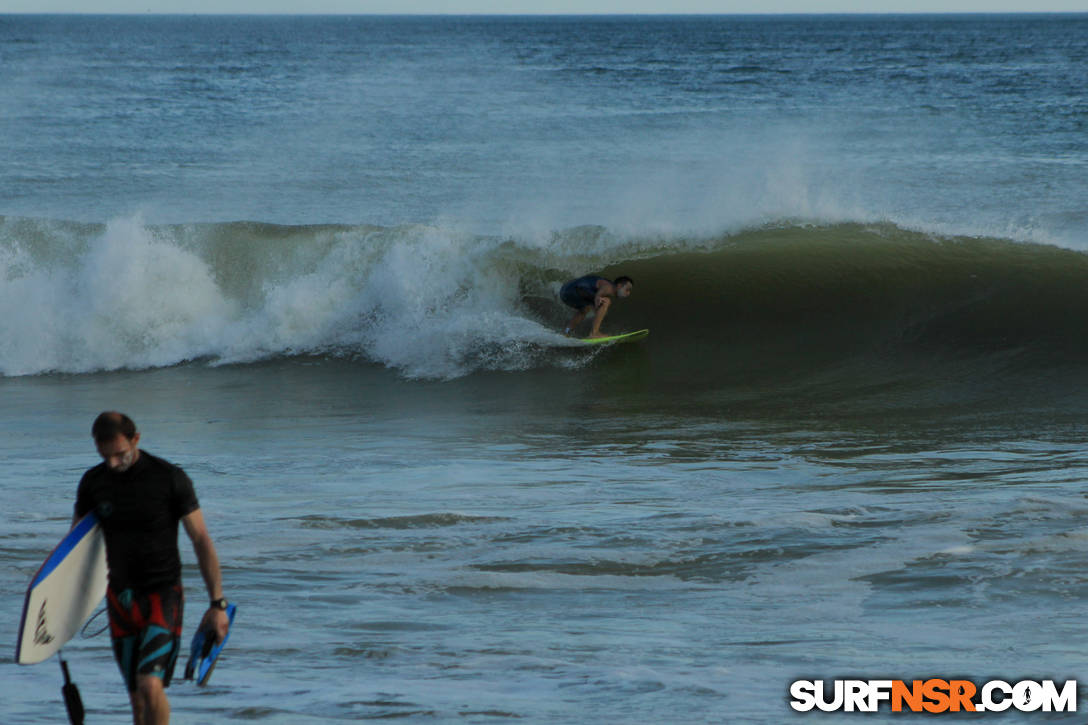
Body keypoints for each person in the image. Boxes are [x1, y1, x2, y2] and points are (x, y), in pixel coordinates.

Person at [74, 412, 229, 725]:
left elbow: (201, 540)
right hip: (119, 599)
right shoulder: (94, 483)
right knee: (136, 701)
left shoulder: (169, 478)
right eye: (106, 457)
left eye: (121, 454)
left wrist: (217, 605)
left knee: (149, 684)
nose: (114, 464)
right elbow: (75, 547)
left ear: (136, 439)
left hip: (163, 597)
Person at [559, 274, 634, 338]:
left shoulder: (608, 285)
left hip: (565, 291)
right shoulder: (609, 287)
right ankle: (594, 333)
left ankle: (566, 332)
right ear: (619, 286)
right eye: (627, 290)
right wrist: (597, 298)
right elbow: (600, 292)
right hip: (575, 290)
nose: (628, 293)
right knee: (606, 302)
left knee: (584, 310)